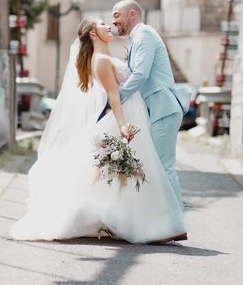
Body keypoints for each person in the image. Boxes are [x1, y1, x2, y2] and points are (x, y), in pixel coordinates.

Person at [10, 18, 186, 244]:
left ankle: (132, 221)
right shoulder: (101, 60)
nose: (108, 26)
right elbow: (113, 96)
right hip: (122, 118)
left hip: (130, 115)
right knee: (125, 173)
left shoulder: (105, 58)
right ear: (93, 33)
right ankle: (148, 223)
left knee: (118, 175)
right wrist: (123, 126)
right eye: (103, 24)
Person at [112, 0, 191, 211]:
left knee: (164, 167)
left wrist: (116, 98)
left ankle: (175, 222)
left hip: (163, 107)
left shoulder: (144, 34)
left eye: (116, 15)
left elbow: (141, 74)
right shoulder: (137, 37)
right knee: (157, 167)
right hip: (157, 109)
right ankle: (165, 218)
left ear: (131, 14)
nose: (113, 21)